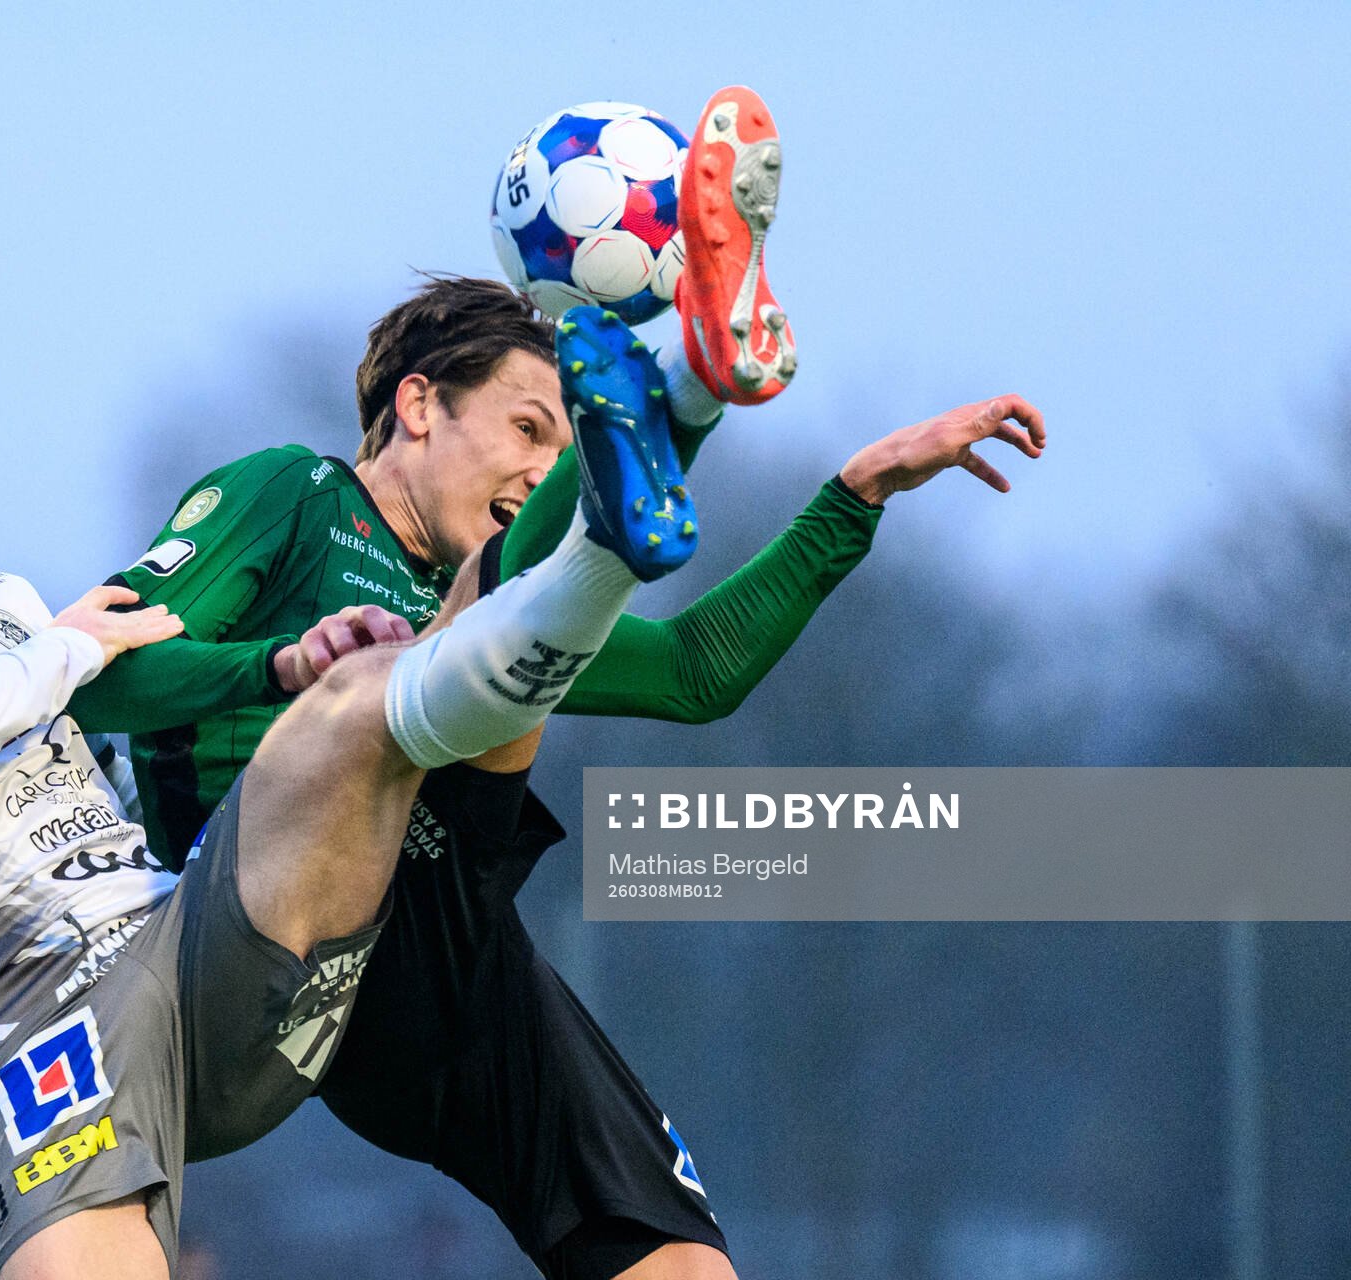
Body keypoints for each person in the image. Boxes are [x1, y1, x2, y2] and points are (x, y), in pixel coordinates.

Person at [80, 87, 1045, 1280]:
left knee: (681, 1264)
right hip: (273, 934)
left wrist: (854, 499)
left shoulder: (477, 596)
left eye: (563, 439)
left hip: (457, 957)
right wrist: (280, 662)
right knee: (480, 621)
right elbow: (101, 687)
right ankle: (686, 372)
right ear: (417, 407)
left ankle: (678, 384)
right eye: (531, 427)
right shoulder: (293, 493)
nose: (537, 461)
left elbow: (697, 670)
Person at [0, 311, 696, 1279]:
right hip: (27, 1039)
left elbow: (104, 763)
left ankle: (660, 421)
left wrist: (269, 668)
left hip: (186, 952)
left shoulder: (2, 606)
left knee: (375, 685)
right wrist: (71, 645)